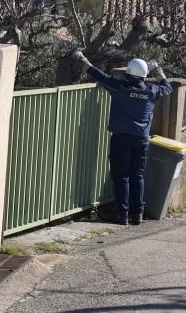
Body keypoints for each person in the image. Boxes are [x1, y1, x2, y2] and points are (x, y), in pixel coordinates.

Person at [72, 50, 172, 225]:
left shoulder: (120, 87)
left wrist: (81, 59)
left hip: (122, 138)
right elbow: (167, 87)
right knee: (137, 175)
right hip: (141, 139)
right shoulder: (152, 91)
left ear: (128, 74)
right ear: (144, 76)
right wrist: (156, 70)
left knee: (122, 177)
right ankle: (138, 213)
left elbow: (98, 75)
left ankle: (122, 215)